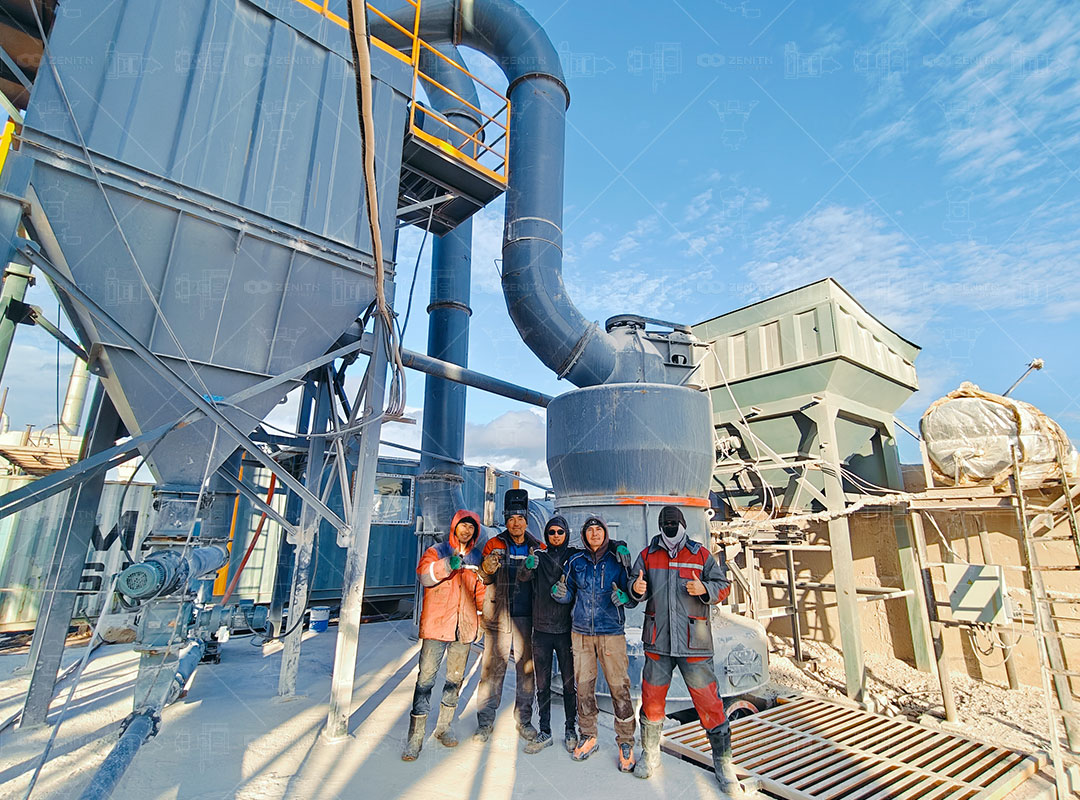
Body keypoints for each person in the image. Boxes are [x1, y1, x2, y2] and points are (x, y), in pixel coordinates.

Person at [628, 505, 753, 798]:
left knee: (709, 703)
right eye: (665, 523)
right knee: (652, 700)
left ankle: (724, 764)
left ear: (682, 524)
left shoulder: (700, 555)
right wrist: (636, 587)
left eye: (674, 522)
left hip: (693, 643)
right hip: (659, 641)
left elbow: (723, 586)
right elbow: (635, 592)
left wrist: (705, 590)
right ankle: (650, 754)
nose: (670, 527)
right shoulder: (647, 555)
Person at [553, 515, 637, 772]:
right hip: (581, 634)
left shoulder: (618, 559)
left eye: (598, 529)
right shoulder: (576, 561)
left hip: (611, 632)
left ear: (605, 533)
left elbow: (634, 595)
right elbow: (567, 592)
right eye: (590, 531)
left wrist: (626, 596)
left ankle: (626, 741)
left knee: (619, 688)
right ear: (584, 535)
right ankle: (588, 735)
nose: (594, 534)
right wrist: (561, 594)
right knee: (584, 687)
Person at [402, 509, 485, 761]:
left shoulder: (476, 556)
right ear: (455, 527)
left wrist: (480, 618)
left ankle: (444, 727)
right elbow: (424, 577)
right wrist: (446, 566)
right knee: (426, 679)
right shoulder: (437, 551)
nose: (467, 530)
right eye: (463, 526)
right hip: (438, 626)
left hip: (464, 627)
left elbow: (480, 590)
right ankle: (415, 738)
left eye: (472, 527)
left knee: (454, 679)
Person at [475, 489, 544, 742]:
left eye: (521, 519)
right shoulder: (494, 544)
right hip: (499, 616)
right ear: (506, 520)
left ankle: (524, 720)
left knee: (526, 671)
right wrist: (486, 568)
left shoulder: (538, 547)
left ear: (527, 521)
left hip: (527, 618)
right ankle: (484, 723)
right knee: (493, 669)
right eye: (512, 519)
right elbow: (484, 577)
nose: (516, 523)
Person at [517, 515, 578, 754]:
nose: (555, 536)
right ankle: (545, 730)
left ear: (566, 534)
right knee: (542, 685)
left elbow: (602, 546)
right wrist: (526, 566)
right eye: (551, 532)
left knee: (568, 684)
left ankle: (570, 728)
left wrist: (619, 546)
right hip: (541, 631)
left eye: (559, 532)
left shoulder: (573, 556)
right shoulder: (539, 557)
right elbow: (523, 577)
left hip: (565, 631)